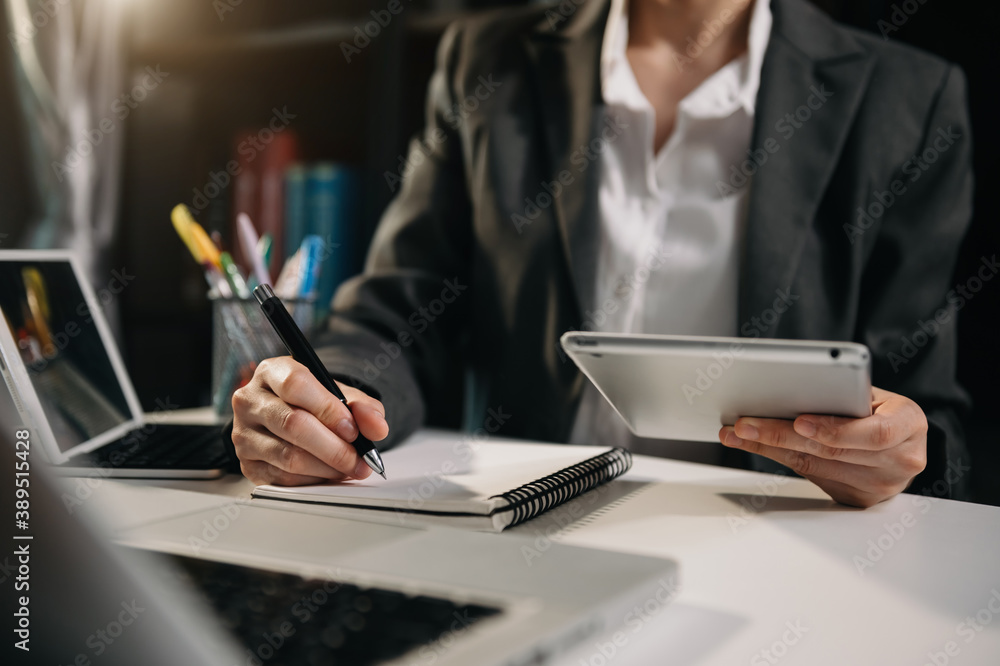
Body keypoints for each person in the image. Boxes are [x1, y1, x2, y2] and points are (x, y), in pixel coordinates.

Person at [231, 0, 973, 507]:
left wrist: (899, 454)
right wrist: (329, 402)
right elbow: (402, 313)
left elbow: (925, 413)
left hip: (782, 545)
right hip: (533, 528)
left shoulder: (908, 101)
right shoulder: (488, 61)